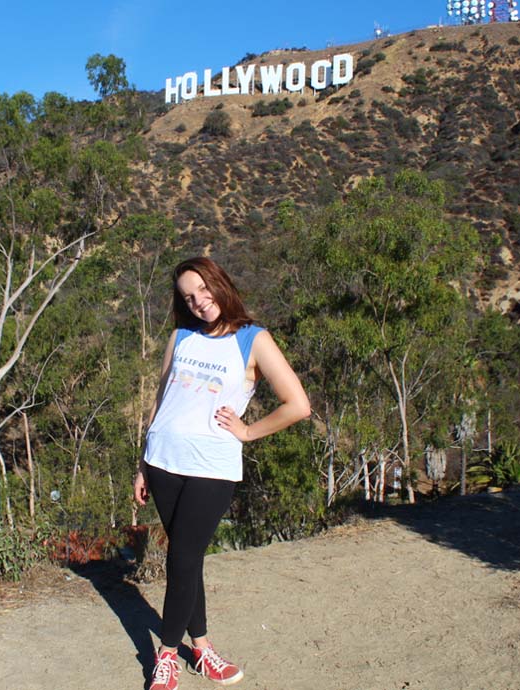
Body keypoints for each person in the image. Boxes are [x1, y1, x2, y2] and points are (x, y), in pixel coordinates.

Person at [133, 257, 311, 689]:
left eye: (202, 290)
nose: (198, 302)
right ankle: (205, 650)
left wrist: (248, 431)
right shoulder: (181, 336)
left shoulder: (253, 338)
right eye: (188, 297)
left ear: (219, 283)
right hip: (163, 461)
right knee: (186, 561)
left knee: (182, 558)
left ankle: (168, 655)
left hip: (212, 466)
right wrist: (141, 462)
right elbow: (160, 401)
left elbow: (298, 405)